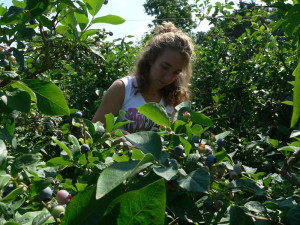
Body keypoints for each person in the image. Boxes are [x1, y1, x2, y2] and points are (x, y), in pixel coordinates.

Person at [92, 21, 194, 134]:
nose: (168, 77)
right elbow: (93, 133)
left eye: (176, 72)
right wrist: (117, 138)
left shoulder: (176, 100)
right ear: (151, 59)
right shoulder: (123, 89)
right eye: (165, 67)